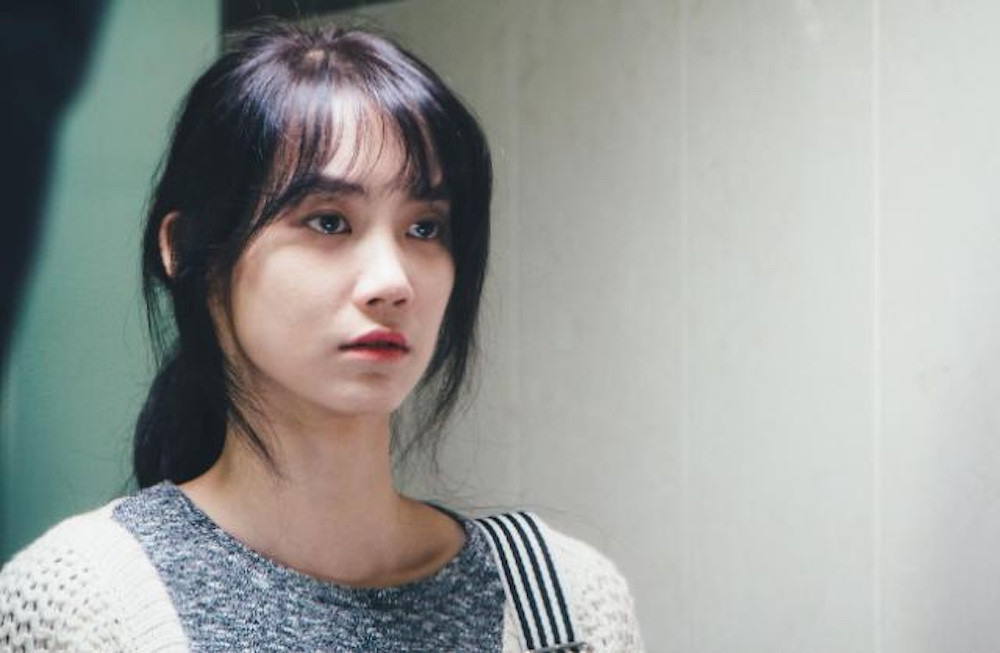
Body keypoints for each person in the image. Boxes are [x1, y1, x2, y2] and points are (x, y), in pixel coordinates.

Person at [0, 21, 643, 652]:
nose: (392, 282)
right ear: (190, 249)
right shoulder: (81, 600)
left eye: (425, 228)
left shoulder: (566, 601)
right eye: (329, 222)